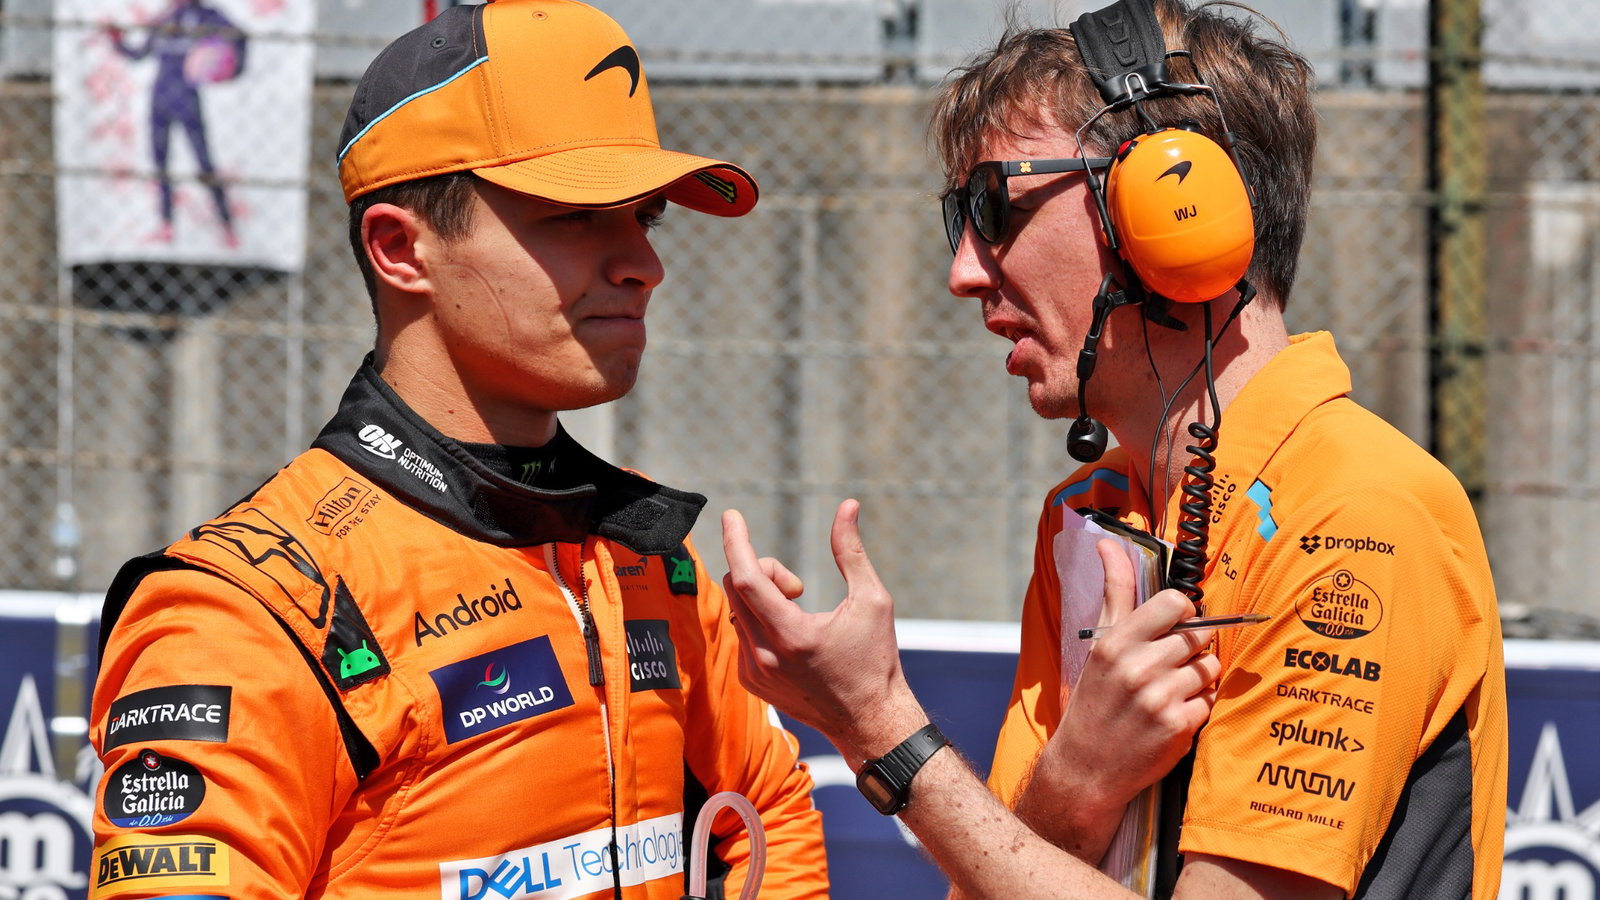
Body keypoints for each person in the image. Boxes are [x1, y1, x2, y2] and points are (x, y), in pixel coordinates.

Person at [720, 0, 1506, 898]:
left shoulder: (1356, 510)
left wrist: (879, 725)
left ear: (1171, 206)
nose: (964, 271)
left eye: (995, 208)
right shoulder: (1093, 516)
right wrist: (1075, 783)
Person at [87, 2, 827, 898]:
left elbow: (771, 809)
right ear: (401, 248)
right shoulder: (246, 613)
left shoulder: (642, 547)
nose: (643, 262)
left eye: (645, 218)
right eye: (577, 214)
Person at [108, 0, 245, 246]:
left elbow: (238, 37)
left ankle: (226, 225)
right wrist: (117, 41)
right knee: (161, 163)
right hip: (160, 97)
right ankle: (166, 223)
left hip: (186, 97)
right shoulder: (165, 18)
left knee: (204, 164)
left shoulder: (206, 15)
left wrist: (228, 68)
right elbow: (139, 54)